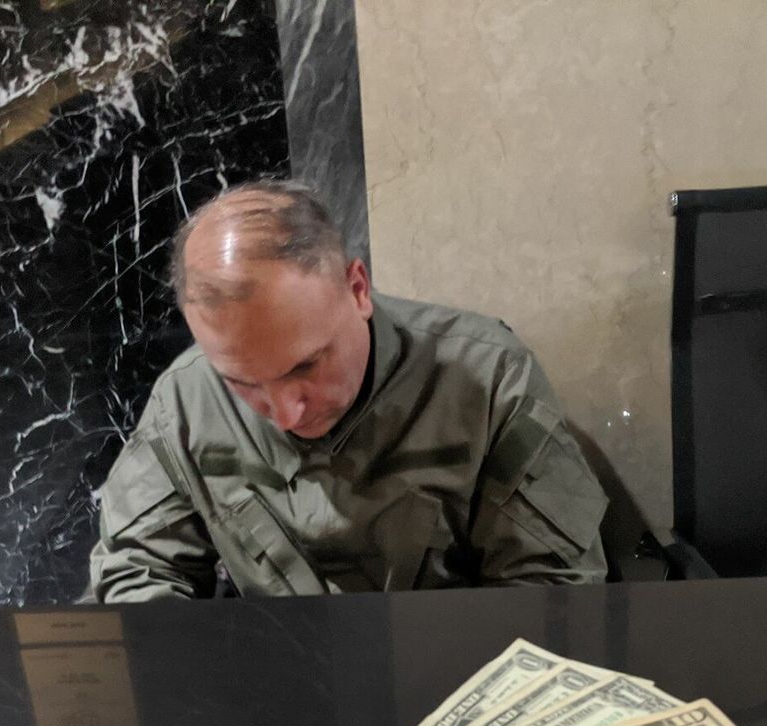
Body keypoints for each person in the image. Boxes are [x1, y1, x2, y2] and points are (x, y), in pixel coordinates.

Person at [89, 179, 609, 602]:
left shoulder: (489, 377)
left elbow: (551, 589)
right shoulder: (186, 401)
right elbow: (136, 569)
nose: (287, 414)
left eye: (305, 366)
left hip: (456, 670)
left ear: (357, 288)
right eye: (242, 383)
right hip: (275, 677)